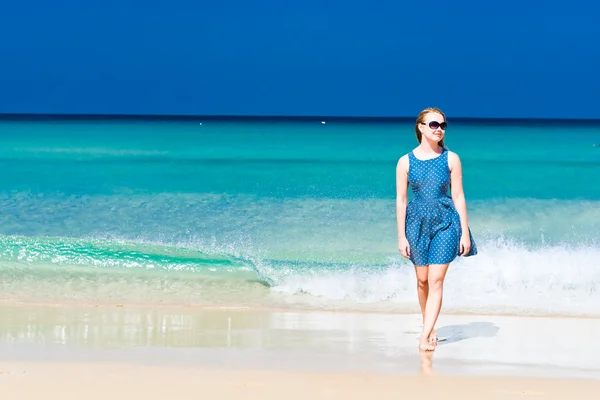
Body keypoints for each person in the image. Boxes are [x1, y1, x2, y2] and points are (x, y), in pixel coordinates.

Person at [395, 107, 477, 351]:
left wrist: (464, 231)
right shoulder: (405, 162)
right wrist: (401, 236)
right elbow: (401, 200)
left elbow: (459, 196)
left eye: (442, 125)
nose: (439, 128)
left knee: (436, 279)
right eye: (433, 124)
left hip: (446, 222)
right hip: (416, 224)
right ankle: (428, 324)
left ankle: (425, 335)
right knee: (422, 281)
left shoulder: (451, 159)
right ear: (420, 127)